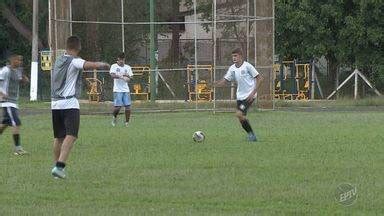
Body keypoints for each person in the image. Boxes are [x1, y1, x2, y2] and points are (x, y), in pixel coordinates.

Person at [51, 36, 110, 179]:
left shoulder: (59, 60)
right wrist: (103, 64)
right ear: (78, 47)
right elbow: (88, 64)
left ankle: (56, 168)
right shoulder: (74, 61)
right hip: (69, 103)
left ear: (66, 47)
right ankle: (60, 167)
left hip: (55, 104)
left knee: (59, 137)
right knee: (71, 135)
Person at [214, 48, 262, 142]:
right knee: (241, 118)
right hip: (240, 96)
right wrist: (214, 84)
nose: (234, 58)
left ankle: (252, 136)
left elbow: (260, 78)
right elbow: (225, 81)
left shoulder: (247, 66)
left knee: (239, 114)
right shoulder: (232, 68)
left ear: (241, 56)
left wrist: (253, 93)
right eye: (233, 56)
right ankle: (251, 135)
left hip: (249, 96)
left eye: (235, 56)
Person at [0, 54, 29, 155]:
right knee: (16, 122)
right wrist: (2, 93)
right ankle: (18, 149)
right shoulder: (5, 70)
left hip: (14, 102)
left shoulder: (18, 71)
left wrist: (24, 79)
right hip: (7, 102)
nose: (19, 62)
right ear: (12, 60)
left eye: (20, 60)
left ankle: (18, 148)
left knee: (4, 124)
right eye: (17, 60)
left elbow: (23, 81)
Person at [109, 52, 133, 127]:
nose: (121, 61)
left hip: (126, 90)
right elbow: (112, 75)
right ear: (118, 59)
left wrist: (127, 76)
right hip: (117, 90)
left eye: (123, 60)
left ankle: (126, 123)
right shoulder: (114, 66)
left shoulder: (128, 67)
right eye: (120, 60)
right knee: (118, 107)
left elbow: (131, 77)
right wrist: (121, 77)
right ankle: (114, 118)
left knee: (128, 107)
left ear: (124, 59)